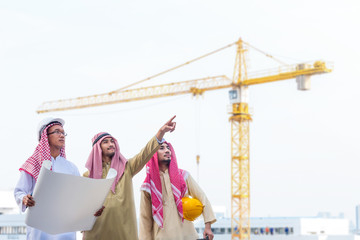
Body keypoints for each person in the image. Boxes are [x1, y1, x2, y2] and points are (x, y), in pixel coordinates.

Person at [82, 116, 177, 240]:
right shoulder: (87, 177)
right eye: (105, 142)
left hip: (124, 234)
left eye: (112, 141)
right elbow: (82, 209)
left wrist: (161, 132)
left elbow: (145, 154)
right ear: (97, 148)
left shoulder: (127, 168)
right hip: (96, 234)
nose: (111, 144)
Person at [14, 117, 82, 239]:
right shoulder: (33, 164)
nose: (62, 135)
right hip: (40, 228)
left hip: (64, 229)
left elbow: (79, 197)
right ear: (45, 136)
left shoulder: (71, 168)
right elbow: (19, 191)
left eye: (63, 132)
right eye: (57, 131)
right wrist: (24, 198)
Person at [139, 141, 216, 240]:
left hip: (188, 236)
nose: (167, 150)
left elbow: (203, 198)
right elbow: (145, 220)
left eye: (168, 148)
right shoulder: (148, 186)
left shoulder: (183, 176)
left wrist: (208, 226)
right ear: (153, 154)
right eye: (162, 148)